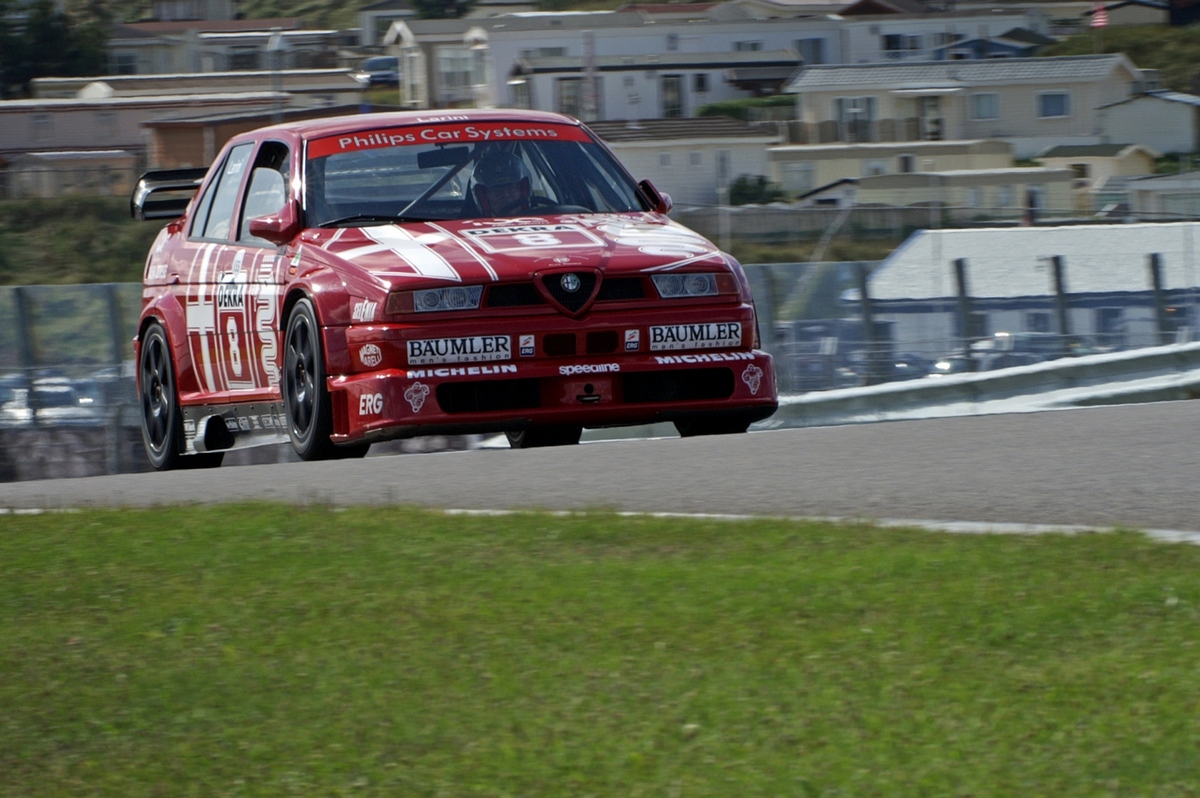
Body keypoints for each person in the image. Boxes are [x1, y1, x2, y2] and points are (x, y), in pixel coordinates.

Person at [471, 149, 531, 217]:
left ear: (523, 190)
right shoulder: (468, 227)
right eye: (496, 189)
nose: (506, 195)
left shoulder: (543, 218)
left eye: (511, 187)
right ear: (483, 197)